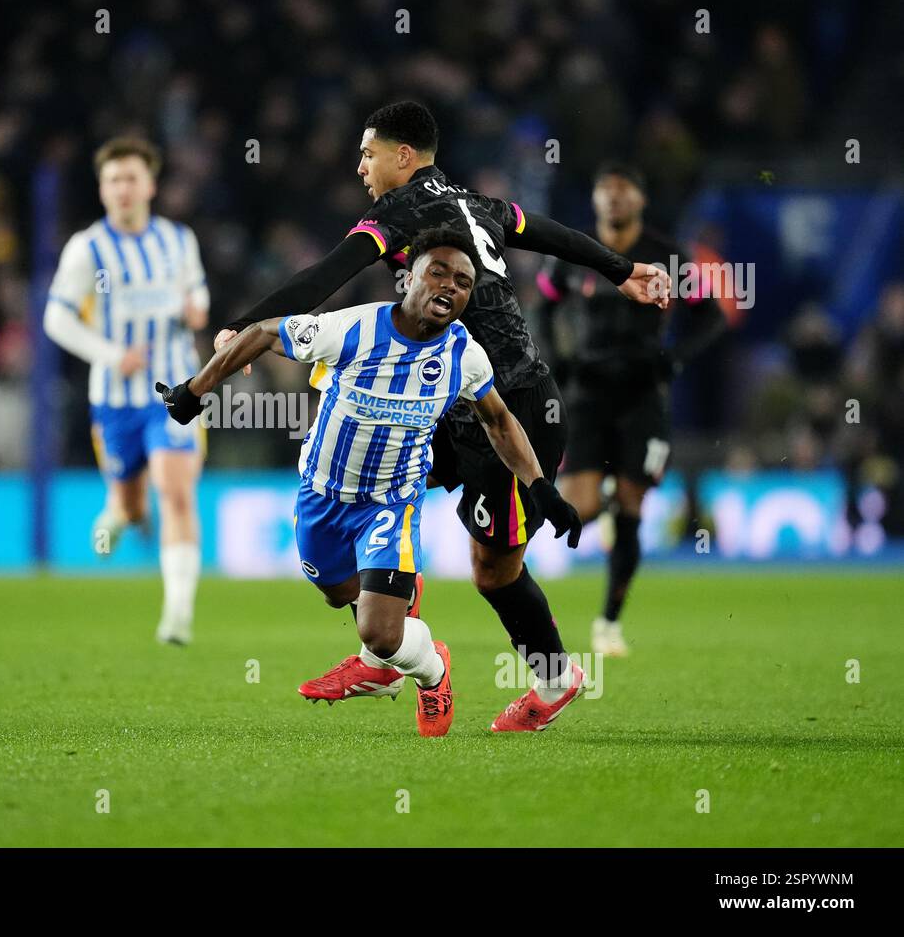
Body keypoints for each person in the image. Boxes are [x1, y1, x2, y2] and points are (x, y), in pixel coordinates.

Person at [216, 101, 670, 731]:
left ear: (404, 155)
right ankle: (389, 647)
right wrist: (619, 270)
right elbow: (545, 231)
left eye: (368, 154)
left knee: (494, 573)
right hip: (450, 401)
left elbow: (325, 276)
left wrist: (243, 327)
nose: (361, 167)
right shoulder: (477, 202)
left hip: (508, 406)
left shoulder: (398, 212)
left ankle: (556, 678)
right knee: (375, 486)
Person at [157, 227, 583, 736]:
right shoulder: (354, 329)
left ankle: (433, 672)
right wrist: (194, 390)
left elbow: (499, 420)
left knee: (381, 634)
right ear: (410, 279)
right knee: (338, 594)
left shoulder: (464, 356)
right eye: (438, 273)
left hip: (391, 503)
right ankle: (399, 624)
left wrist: (540, 488)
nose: (450, 287)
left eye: (464, 281)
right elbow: (265, 333)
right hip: (322, 495)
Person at [540, 162, 726, 657]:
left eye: (623, 192)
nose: (614, 201)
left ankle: (609, 622)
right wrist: (554, 356)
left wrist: (676, 359)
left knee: (631, 506)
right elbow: (543, 302)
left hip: (643, 395)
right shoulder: (575, 252)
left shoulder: (669, 255)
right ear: (596, 200)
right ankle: (606, 510)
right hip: (586, 394)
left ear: (640, 201)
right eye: (605, 192)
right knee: (577, 508)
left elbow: (711, 317)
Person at [43, 136, 208, 645]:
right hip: (114, 400)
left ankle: (177, 613)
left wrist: (196, 307)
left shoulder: (178, 240)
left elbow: (196, 288)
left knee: (174, 490)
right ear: (101, 189)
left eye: (131, 178)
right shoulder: (86, 248)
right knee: (135, 506)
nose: (122, 188)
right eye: (113, 180)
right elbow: (55, 318)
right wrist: (113, 355)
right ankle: (118, 513)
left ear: (151, 185)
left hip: (175, 391)